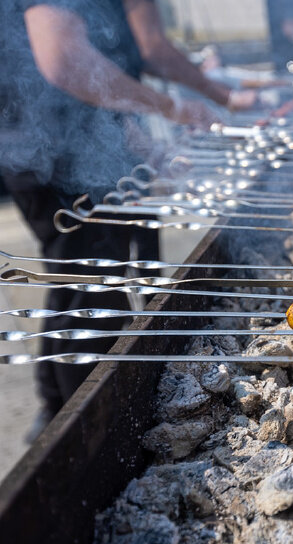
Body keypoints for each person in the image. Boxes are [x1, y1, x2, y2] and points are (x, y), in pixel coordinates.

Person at [0, 0, 255, 440]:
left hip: (76, 147)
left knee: (77, 280)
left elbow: (112, 69)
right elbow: (66, 63)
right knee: (97, 294)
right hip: (55, 157)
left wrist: (139, 143)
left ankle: (54, 408)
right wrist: (173, 107)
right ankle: (89, 432)